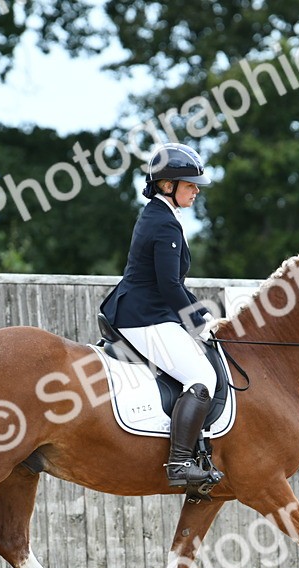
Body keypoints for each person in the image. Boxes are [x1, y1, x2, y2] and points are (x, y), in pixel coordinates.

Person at [100, 142, 224, 489]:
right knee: (201, 378)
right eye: (190, 184)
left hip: (149, 310)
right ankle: (180, 464)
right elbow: (170, 285)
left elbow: (172, 285)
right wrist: (201, 323)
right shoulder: (164, 223)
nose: (196, 190)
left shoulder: (162, 215)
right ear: (167, 185)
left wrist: (201, 313)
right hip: (145, 316)